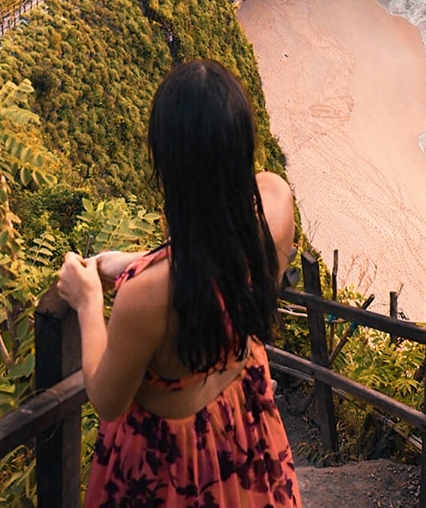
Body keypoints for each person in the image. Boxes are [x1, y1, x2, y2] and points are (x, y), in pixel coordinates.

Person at [56, 59, 302, 507]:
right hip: (243, 424)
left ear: (166, 161)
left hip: (172, 464)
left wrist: (88, 300)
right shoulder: (276, 207)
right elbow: (217, 255)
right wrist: (144, 260)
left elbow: (107, 400)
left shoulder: (146, 298)